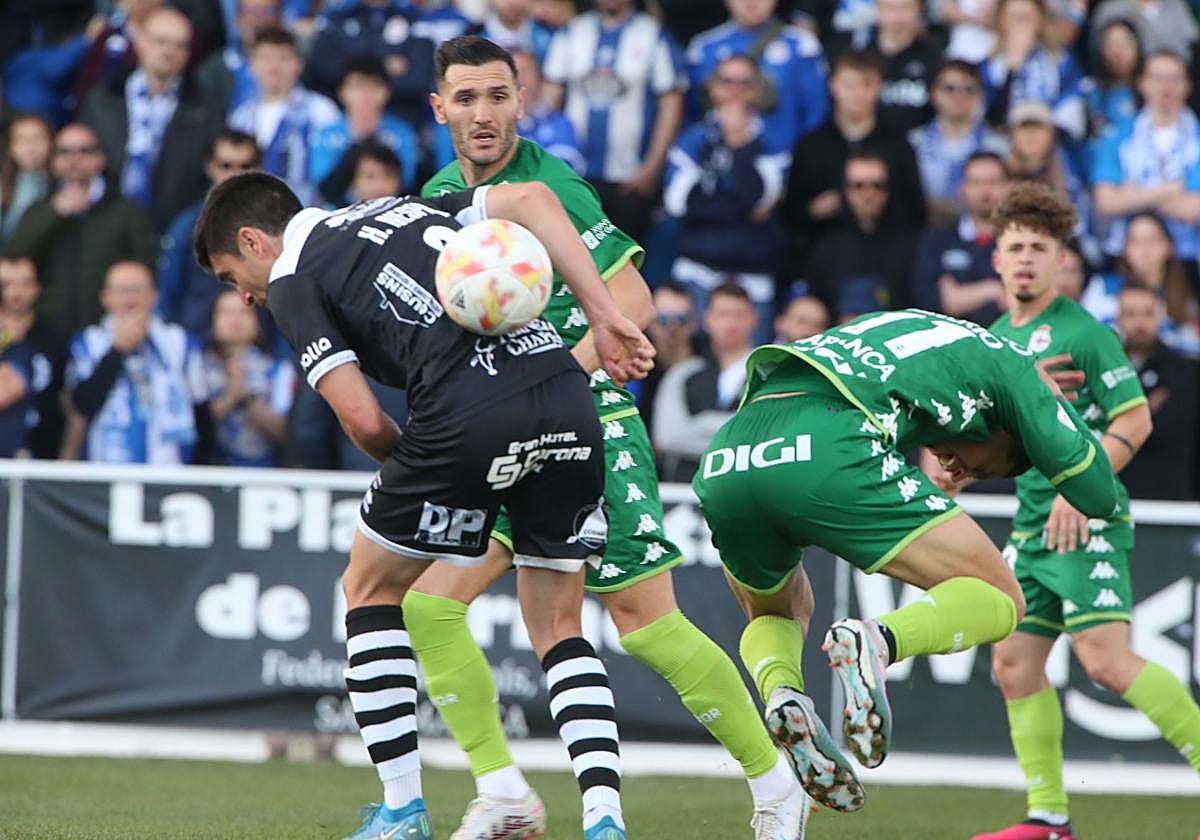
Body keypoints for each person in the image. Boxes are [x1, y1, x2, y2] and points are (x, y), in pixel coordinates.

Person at [419, 36, 813, 840]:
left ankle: (776, 783)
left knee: (643, 621)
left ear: (521, 99)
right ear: (440, 109)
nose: (483, 114)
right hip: (503, 434)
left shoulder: (549, 180)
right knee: (429, 606)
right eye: (466, 100)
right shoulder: (437, 194)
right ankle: (504, 793)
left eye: (497, 96)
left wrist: (555, 378)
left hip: (585, 417)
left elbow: (628, 290)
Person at [195, 166, 654, 840]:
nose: (244, 295)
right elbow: (530, 200)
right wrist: (605, 317)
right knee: (559, 624)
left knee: (368, 587)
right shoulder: (398, 209)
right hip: (565, 392)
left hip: (464, 418)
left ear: (254, 241)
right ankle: (605, 819)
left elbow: (364, 421)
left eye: (233, 276)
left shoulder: (294, 279)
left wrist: (431, 470)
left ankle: (403, 810)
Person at [693, 189, 1126, 823]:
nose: (964, 468)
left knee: (784, 606)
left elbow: (900, 390)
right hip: (830, 444)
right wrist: (1046, 410)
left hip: (732, 451)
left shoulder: (917, 329)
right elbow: (1098, 493)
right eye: (992, 464)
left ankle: (784, 694)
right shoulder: (1011, 361)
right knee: (1003, 598)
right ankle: (878, 643)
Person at [972, 182, 1200, 840]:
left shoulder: (1085, 333)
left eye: (1038, 248)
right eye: (1013, 247)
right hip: (1032, 522)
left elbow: (1135, 419)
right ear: (996, 258)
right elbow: (1005, 435)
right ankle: (1048, 818)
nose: (1024, 259)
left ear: (1062, 260)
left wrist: (1081, 484)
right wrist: (964, 465)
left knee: (1104, 659)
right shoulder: (994, 337)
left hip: (1085, 515)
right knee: (1013, 664)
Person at [663, 53, 788, 343]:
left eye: (745, 82)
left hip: (753, 276)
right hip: (697, 271)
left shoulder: (772, 140)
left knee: (753, 367)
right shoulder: (692, 139)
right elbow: (678, 204)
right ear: (713, 88)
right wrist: (736, 207)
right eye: (727, 81)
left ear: (757, 89)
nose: (735, 89)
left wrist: (738, 145)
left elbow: (762, 201)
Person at [541, 0, 687, 246]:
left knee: (627, 262)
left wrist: (652, 167)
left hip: (629, 181)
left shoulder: (653, 34)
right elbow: (548, 102)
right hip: (576, 178)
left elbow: (671, 103)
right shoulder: (572, 32)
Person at [3, 122, 159, 339]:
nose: (74, 159)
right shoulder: (39, 210)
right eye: (64, 151)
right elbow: (14, 259)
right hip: (46, 333)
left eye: (84, 151)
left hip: (107, 334)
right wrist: (55, 213)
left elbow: (146, 266)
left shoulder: (126, 211)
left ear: (100, 159)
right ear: (53, 160)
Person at [78, 7, 218, 232]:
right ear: (140, 42)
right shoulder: (102, 99)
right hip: (104, 222)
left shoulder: (204, 107)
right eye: (161, 41)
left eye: (180, 45)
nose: (169, 51)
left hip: (172, 225)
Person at [63, 260, 212, 464]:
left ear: (154, 296)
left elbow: (202, 414)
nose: (131, 300)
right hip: (105, 470)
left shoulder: (181, 343)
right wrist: (116, 351)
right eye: (122, 291)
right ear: (105, 297)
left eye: (138, 290)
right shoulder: (88, 343)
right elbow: (82, 406)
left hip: (171, 474)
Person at [782, 48, 926, 254]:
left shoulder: (898, 145)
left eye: (866, 84)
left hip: (887, 255)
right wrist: (813, 210)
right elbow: (790, 213)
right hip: (823, 256)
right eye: (849, 85)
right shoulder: (811, 145)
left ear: (879, 88)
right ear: (833, 86)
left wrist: (875, 204)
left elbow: (915, 210)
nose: (858, 94)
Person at [1092, 51, 1200, 263]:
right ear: (1142, 83)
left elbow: (1194, 208)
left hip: (1189, 257)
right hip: (1126, 255)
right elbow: (1106, 202)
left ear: (1188, 85)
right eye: (1158, 78)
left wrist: (1134, 196)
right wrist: (1168, 192)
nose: (1166, 86)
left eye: (1174, 78)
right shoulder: (1117, 136)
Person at [687, 0, 830, 157]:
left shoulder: (801, 44)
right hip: (716, 162)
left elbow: (817, 113)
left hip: (786, 163)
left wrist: (802, 163)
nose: (751, 1)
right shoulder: (703, 48)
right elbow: (693, 114)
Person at [156, 129, 261, 338]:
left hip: (261, 357)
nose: (235, 174)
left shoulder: (275, 228)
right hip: (196, 350)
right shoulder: (186, 228)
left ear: (258, 168)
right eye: (226, 166)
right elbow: (168, 296)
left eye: (245, 166)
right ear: (210, 167)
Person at [652, 282, 756, 482]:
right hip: (682, 494)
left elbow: (764, 436)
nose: (731, 323)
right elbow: (666, 437)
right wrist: (735, 429)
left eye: (739, 315)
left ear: (754, 319)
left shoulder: (768, 374)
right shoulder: (683, 373)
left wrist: (697, 424)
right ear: (706, 319)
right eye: (723, 314)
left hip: (744, 491)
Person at [229, 26, 340, 206]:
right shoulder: (241, 117)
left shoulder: (321, 110)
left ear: (299, 64)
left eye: (283, 58)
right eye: (266, 58)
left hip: (311, 211)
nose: (274, 67)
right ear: (251, 65)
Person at [804, 150, 920, 320]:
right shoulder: (825, 248)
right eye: (858, 185)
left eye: (878, 185)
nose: (868, 194)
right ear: (844, 189)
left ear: (890, 189)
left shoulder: (916, 244)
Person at [1114, 284, 1199, 500]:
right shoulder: (1105, 367)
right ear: (1118, 319)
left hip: (1169, 497)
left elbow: (1168, 430)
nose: (1139, 323)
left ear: (1160, 316)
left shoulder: (1184, 370)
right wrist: (1145, 408)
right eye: (1130, 314)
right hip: (1114, 496)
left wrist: (1122, 415)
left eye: (1147, 313)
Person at [911, 151, 1012, 324]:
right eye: (976, 182)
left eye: (993, 182)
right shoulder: (937, 240)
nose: (985, 191)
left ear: (1009, 186)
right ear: (962, 188)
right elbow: (932, 302)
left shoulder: (1021, 241)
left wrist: (963, 296)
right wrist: (994, 290)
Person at [1080, 212, 1200, 357]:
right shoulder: (1103, 286)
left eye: (1153, 240)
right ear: (1124, 249)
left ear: (1169, 246)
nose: (1145, 249)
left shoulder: (1186, 289)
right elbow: (1088, 338)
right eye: (1135, 241)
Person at [308, 54, 420, 207]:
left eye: (374, 86)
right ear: (342, 92)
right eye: (357, 86)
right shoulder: (326, 135)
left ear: (387, 92)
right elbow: (324, 188)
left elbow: (406, 183)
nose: (365, 95)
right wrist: (360, 144)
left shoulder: (401, 133)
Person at [909, 60, 1009, 228]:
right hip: (922, 229)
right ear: (933, 93)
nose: (959, 96)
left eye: (969, 90)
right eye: (950, 88)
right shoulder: (913, 142)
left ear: (980, 96)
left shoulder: (999, 147)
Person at [202, 287, 293, 467]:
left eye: (243, 312)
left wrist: (246, 397)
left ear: (258, 321)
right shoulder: (196, 364)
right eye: (226, 313)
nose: (235, 320)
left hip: (265, 472)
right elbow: (194, 427)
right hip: (209, 472)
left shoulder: (279, 369)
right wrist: (230, 396)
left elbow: (283, 431)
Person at [981, 0, 1086, 142]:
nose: (1020, 25)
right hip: (1003, 142)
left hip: (1051, 143)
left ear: (1040, 20)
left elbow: (1071, 107)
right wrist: (1012, 69)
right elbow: (992, 119)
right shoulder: (990, 65)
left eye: (1026, 18)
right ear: (1001, 21)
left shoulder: (1061, 60)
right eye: (1013, 17)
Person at [0, 256, 58, 457]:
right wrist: (5, 339)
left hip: (40, 456)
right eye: (6, 285)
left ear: (37, 287)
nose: (15, 294)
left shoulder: (52, 337)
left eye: (24, 284)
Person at [512, 48, 583, 175]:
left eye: (525, 71)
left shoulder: (559, 123)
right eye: (513, 73)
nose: (519, 80)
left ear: (539, 77)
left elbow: (561, 172)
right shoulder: (491, 122)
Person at [0, 113, 53, 246]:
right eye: (21, 139)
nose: (30, 147)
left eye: (38, 138)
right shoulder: (3, 185)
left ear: (52, 143)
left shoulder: (62, 184)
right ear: (11, 147)